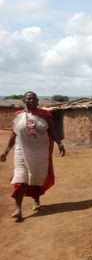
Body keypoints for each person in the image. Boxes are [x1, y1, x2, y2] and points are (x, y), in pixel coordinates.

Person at [0, 91, 65, 221]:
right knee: (20, 178)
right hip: (21, 150)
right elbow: (14, 135)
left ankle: (36, 200)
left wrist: (60, 143)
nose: (31, 101)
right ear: (23, 101)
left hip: (40, 151)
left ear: (37, 101)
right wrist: (6, 151)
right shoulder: (19, 115)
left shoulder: (46, 115)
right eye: (28, 99)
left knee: (35, 178)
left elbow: (53, 131)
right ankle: (18, 208)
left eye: (34, 99)